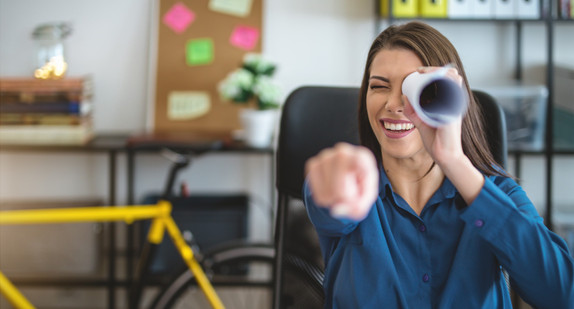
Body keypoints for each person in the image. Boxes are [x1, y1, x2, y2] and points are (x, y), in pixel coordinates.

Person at [303, 21, 574, 308]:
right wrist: (333, 184)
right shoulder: (351, 182)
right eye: (379, 86)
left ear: (447, 98)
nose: (394, 104)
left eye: (414, 89)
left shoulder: (498, 193)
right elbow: (331, 203)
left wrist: (453, 160)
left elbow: (562, 295)